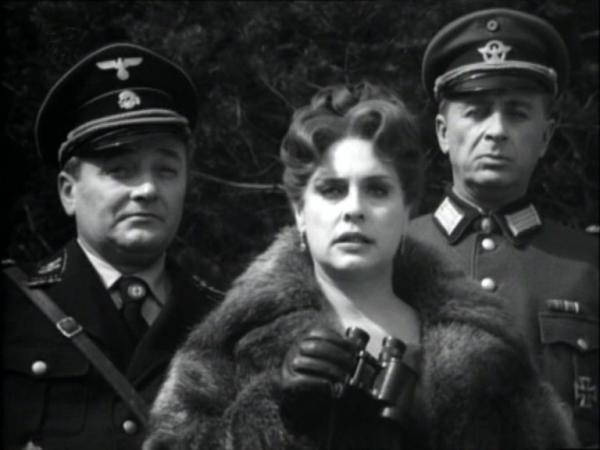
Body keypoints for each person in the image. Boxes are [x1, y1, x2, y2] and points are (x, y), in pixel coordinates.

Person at [143, 82, 577, 450]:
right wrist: (272, 412)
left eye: (377, 190)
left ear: (407, 211)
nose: (354, 209)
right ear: (299, 211)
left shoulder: (489, 352)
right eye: (332, 190)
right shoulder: (236, 339)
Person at [1, 42, 220, 450]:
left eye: (166, 170)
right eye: (120, 170)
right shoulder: (14, 307)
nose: (148, 189)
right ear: (69, 191)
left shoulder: (224, 321)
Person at [410, 8, 599, 447]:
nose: (496, 131)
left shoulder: (588, 264)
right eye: (476, 113)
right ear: (442, 132)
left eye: (517, 114)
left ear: (546, 136)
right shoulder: (394, 255)